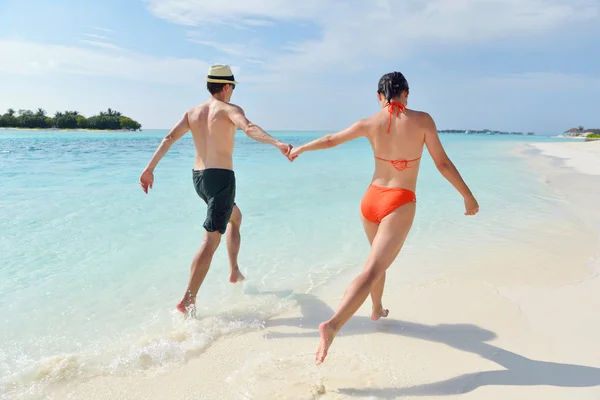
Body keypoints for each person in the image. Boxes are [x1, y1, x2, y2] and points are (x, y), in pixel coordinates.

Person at [289, 71, 479, 364]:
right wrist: (467, 195)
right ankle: (334, 324)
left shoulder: (370, 123)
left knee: (377, 262)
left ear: (379, 97)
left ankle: (376, 308)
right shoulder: (423, 120)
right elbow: (441, 163)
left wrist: (300, 148)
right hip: (399, 201)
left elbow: (330, 140)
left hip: (370, 200)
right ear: (407, 93)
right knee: (372, 268)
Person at [139, 64, 293, 315]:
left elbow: (168, 138)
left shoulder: (192, 112)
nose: (232, 91)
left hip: (199, 178)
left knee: (235, 217)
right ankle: (188, 299)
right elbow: (249, 127)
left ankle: (233, 270)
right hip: (221, 178)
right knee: (211, 239)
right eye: (232, 87)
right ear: (226, 86)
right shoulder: (230, 109)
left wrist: (149, 169)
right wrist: (277, 143)